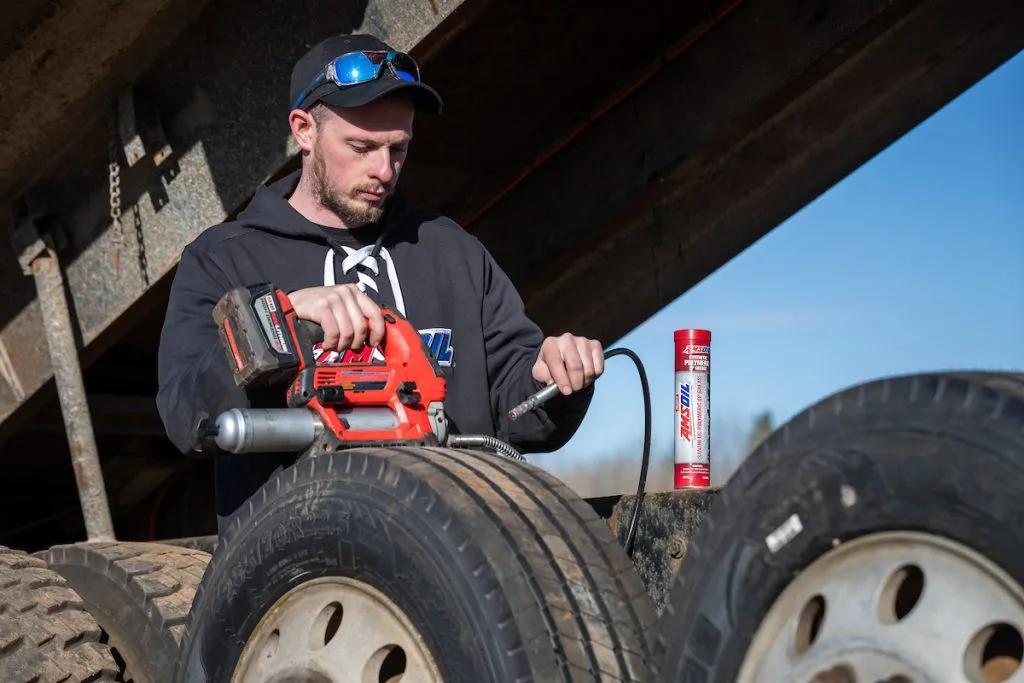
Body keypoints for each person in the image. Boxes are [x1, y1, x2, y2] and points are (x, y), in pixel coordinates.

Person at [155, 33, 605, 536]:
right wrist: (280, 319)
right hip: (294, 573)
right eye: (361, 147)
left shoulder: (451, 252)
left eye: (399, 149)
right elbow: (183, 413)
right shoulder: (224, 259)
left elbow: (517, 416)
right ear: (304, 131)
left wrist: (552, 379)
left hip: (453, 556)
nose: (383, 170)